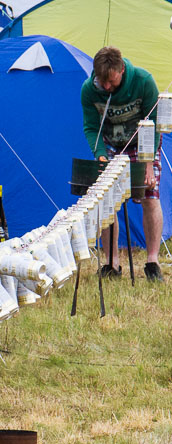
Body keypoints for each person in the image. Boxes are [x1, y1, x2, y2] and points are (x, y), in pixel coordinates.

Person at [81, 46, 164, 282]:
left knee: (150, 196)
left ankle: (152, 262)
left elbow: (154, 125)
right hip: (110, 144)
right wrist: (100, 156)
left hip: (142, 144)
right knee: (106, 202)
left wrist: (148, 163)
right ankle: (111, 263)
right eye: (102, 81)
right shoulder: (89, 90)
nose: (107, 86)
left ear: (122, 70)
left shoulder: (143, 82)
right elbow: (91, 127)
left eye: (111, 80)